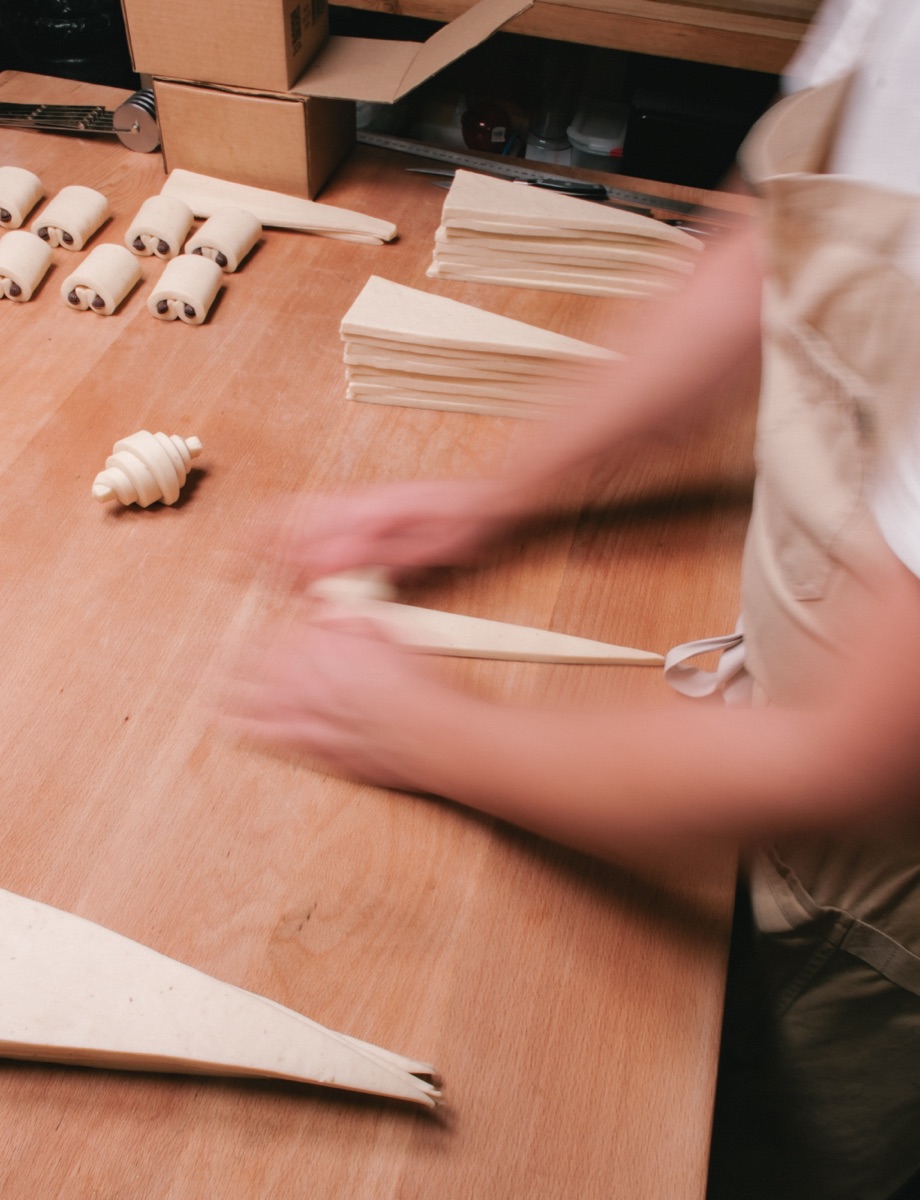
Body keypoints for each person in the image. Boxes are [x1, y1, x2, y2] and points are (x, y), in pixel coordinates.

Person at [221, 2, 920, 1196]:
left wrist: (432, 729)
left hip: (861, 905)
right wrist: (504, 492)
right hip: (778, 706)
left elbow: (867, 753)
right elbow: (774, 242)